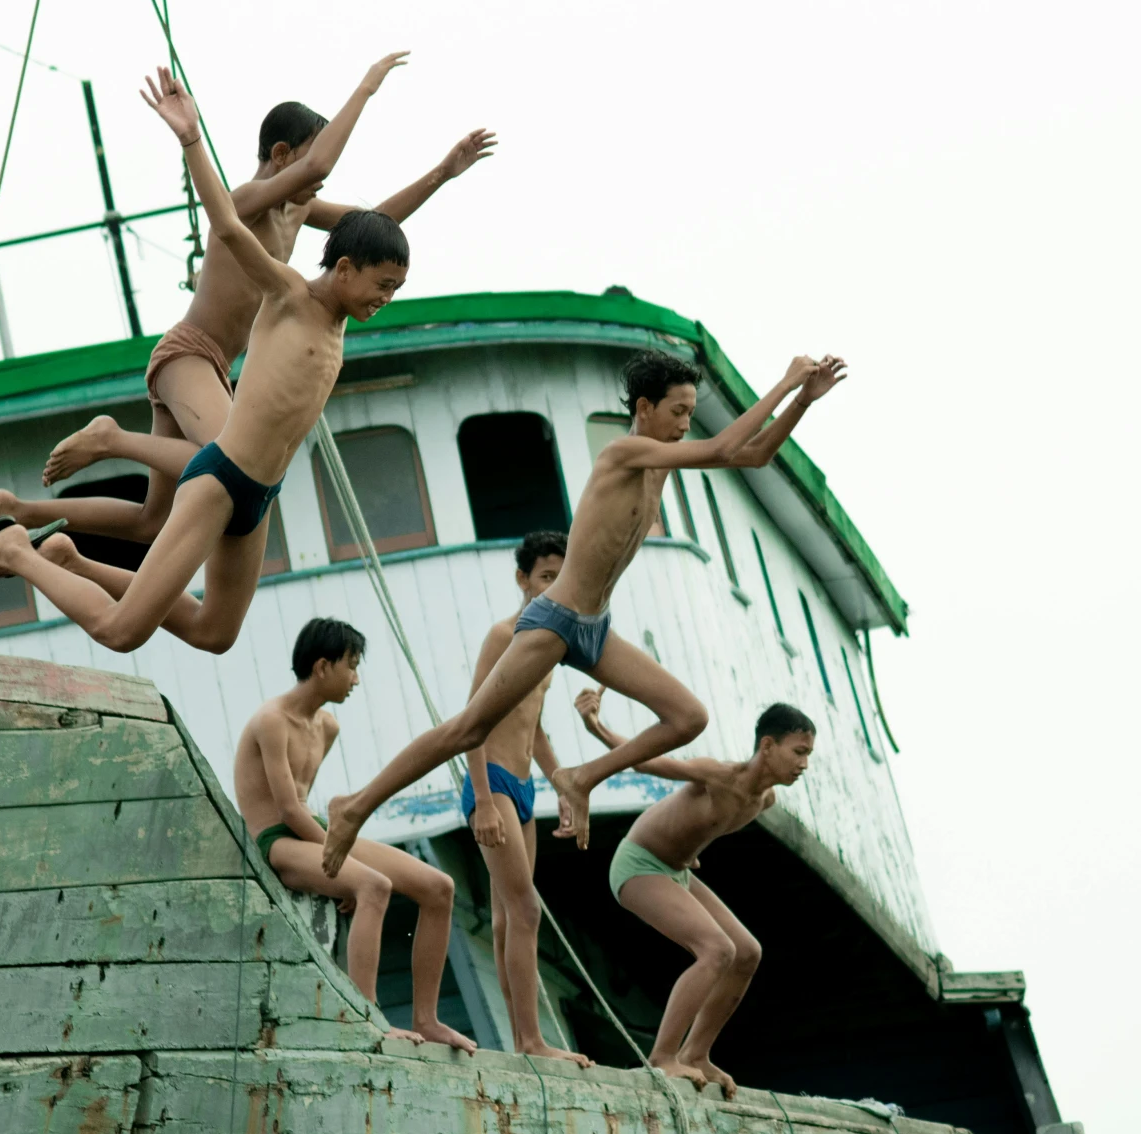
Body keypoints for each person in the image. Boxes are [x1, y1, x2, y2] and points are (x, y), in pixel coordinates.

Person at [0, 68, 410, 654]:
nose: (385, 300)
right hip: (211, 433)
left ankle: (64, 553)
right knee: (120, 630)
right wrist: (192, 138)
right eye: (382, 286)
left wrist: (442, 172)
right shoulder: (289, 291)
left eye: (395, 290)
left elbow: (375, 225)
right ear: (343, 269)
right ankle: (22, 544)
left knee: (214, 630)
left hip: (258, 494)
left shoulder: (321, 267)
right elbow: (231, 222)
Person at [318, 347, 848, 875]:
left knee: (689, 718)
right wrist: (781, 383)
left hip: (595, 628)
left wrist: (803, 399)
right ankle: (355, 805)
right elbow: (724, 446)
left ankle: (582, 776)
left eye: (691, 413)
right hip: (557, 621)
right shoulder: (624, 453)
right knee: (468, 730)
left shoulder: (661, 464)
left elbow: (749, 456)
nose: (686, 424)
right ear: (644, 408)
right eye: (678, 412)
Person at [0, 55, 494, 545]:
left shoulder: (296, 210)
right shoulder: (245, 202)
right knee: (228, 458)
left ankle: (15, 510)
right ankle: (110, 438)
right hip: (188, 354)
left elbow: (371, 226)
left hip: (212, 368)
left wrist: (441, 174)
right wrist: (366, 86)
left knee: (151, 522)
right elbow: (317, 169)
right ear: (283, 156)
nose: (319, 178)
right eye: (310, 161)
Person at [232, 617, 475, 1052]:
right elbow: (287, 809)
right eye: (352, 665)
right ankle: (369, 1016)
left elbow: (307, 803)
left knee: (439, 887)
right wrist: (339, 860)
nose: (356, 679)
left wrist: (333, 857)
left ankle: (427, 1018)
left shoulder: (327, 727)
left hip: (315, 833)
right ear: (323, 667)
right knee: (373, 884)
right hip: (277, 841)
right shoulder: (271, 720)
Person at [574, 691, 818, 1096]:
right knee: (717, 950)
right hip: (638, 865)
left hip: (675, 870)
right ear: (768, 745)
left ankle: (695, 1054)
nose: (804, 764)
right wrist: (595, 725)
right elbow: (646, 762)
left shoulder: (765, 799)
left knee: (747, 952)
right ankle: (663, 1058)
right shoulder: (720, 774)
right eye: (799, 752)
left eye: (809, 754)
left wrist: (689, 851)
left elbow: (702, 825)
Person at [463, 530, 591, 1067]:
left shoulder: (549, 647)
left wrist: (561, 782)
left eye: (561, 578)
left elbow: (532, 727)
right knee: (526, 910)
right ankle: (532, 1042)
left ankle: (521, 1041)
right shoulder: (503, 636)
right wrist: (486, 802)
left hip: (524, 788)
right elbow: (472, 721)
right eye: (545, 577)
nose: (553, 587)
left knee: (504, 919)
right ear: (523, 580)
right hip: (489, 782)